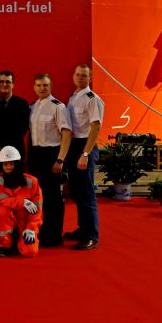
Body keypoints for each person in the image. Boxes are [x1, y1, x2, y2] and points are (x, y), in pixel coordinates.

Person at [28, 73, 72, 247]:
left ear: (51, 86)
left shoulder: (58, 107)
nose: (42, 88)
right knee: (38, 195)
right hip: (36, 154)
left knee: (53, 196)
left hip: (51, 154)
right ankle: (41, 230)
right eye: (38, 85)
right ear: (34, 87)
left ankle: (54, 235)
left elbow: (66, 133)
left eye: (45, 85)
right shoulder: (33, 107)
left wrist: (60, 160)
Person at [64, 64, 104, 251]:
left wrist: (85, 153)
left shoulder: (92, 99)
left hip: (84, 146)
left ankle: (91, 236)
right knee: (77, 192)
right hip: (73, 146)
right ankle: (83, 229)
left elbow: (96, 127)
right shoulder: (73, 97)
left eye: (84, 75)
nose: (80, 78)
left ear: (90, 78)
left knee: (87, 193)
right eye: (78, 74)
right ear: (73, 76)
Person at [0, 146, 43, 257]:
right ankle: (4, 245)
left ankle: (20, 240)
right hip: (8, 221)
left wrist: (31, 228)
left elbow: (37, 210)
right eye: (5, 164)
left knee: (29, 252)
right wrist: (23, 202)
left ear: (17, 164)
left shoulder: (32, 182)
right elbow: (2, 200)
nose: (8, 167)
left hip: (25, 223)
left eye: (11, 164)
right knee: (2, 210)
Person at [0, 70, 30, 169]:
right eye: (1, 81)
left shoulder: (22, 104)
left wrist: (6, 148)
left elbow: (22, 128)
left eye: (8, 82)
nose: (4, 84)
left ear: (13, 84)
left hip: (16, 151)